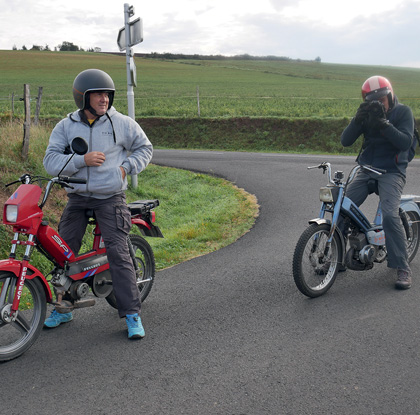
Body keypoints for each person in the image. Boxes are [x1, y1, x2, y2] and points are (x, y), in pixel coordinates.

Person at [43, 68, 153, 338]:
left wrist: (126, 169)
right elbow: (50, 162)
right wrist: (81, 160)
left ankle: (132, 314)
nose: (104, 99)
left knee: (119, 253)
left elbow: (145, 148)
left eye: (107, 94)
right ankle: (64, 307)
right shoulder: (66, 126)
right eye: (98, 94)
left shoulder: (122, 123)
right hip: (77, 197)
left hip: (110, 197)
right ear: (83, 97)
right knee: (63, 253)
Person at [341, 75, 415, 289]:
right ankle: (337, 257)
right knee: (343, 209)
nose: (378, 104)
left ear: (390, 96)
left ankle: (402, 267)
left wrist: (383, 124)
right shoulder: (366, 116)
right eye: (372, 101)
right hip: (367, 170)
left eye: (382, 99)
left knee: (391, 215)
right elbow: (345, 141)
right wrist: (357, 120)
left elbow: (405, 142)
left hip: (392, 172)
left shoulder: (403, 112)